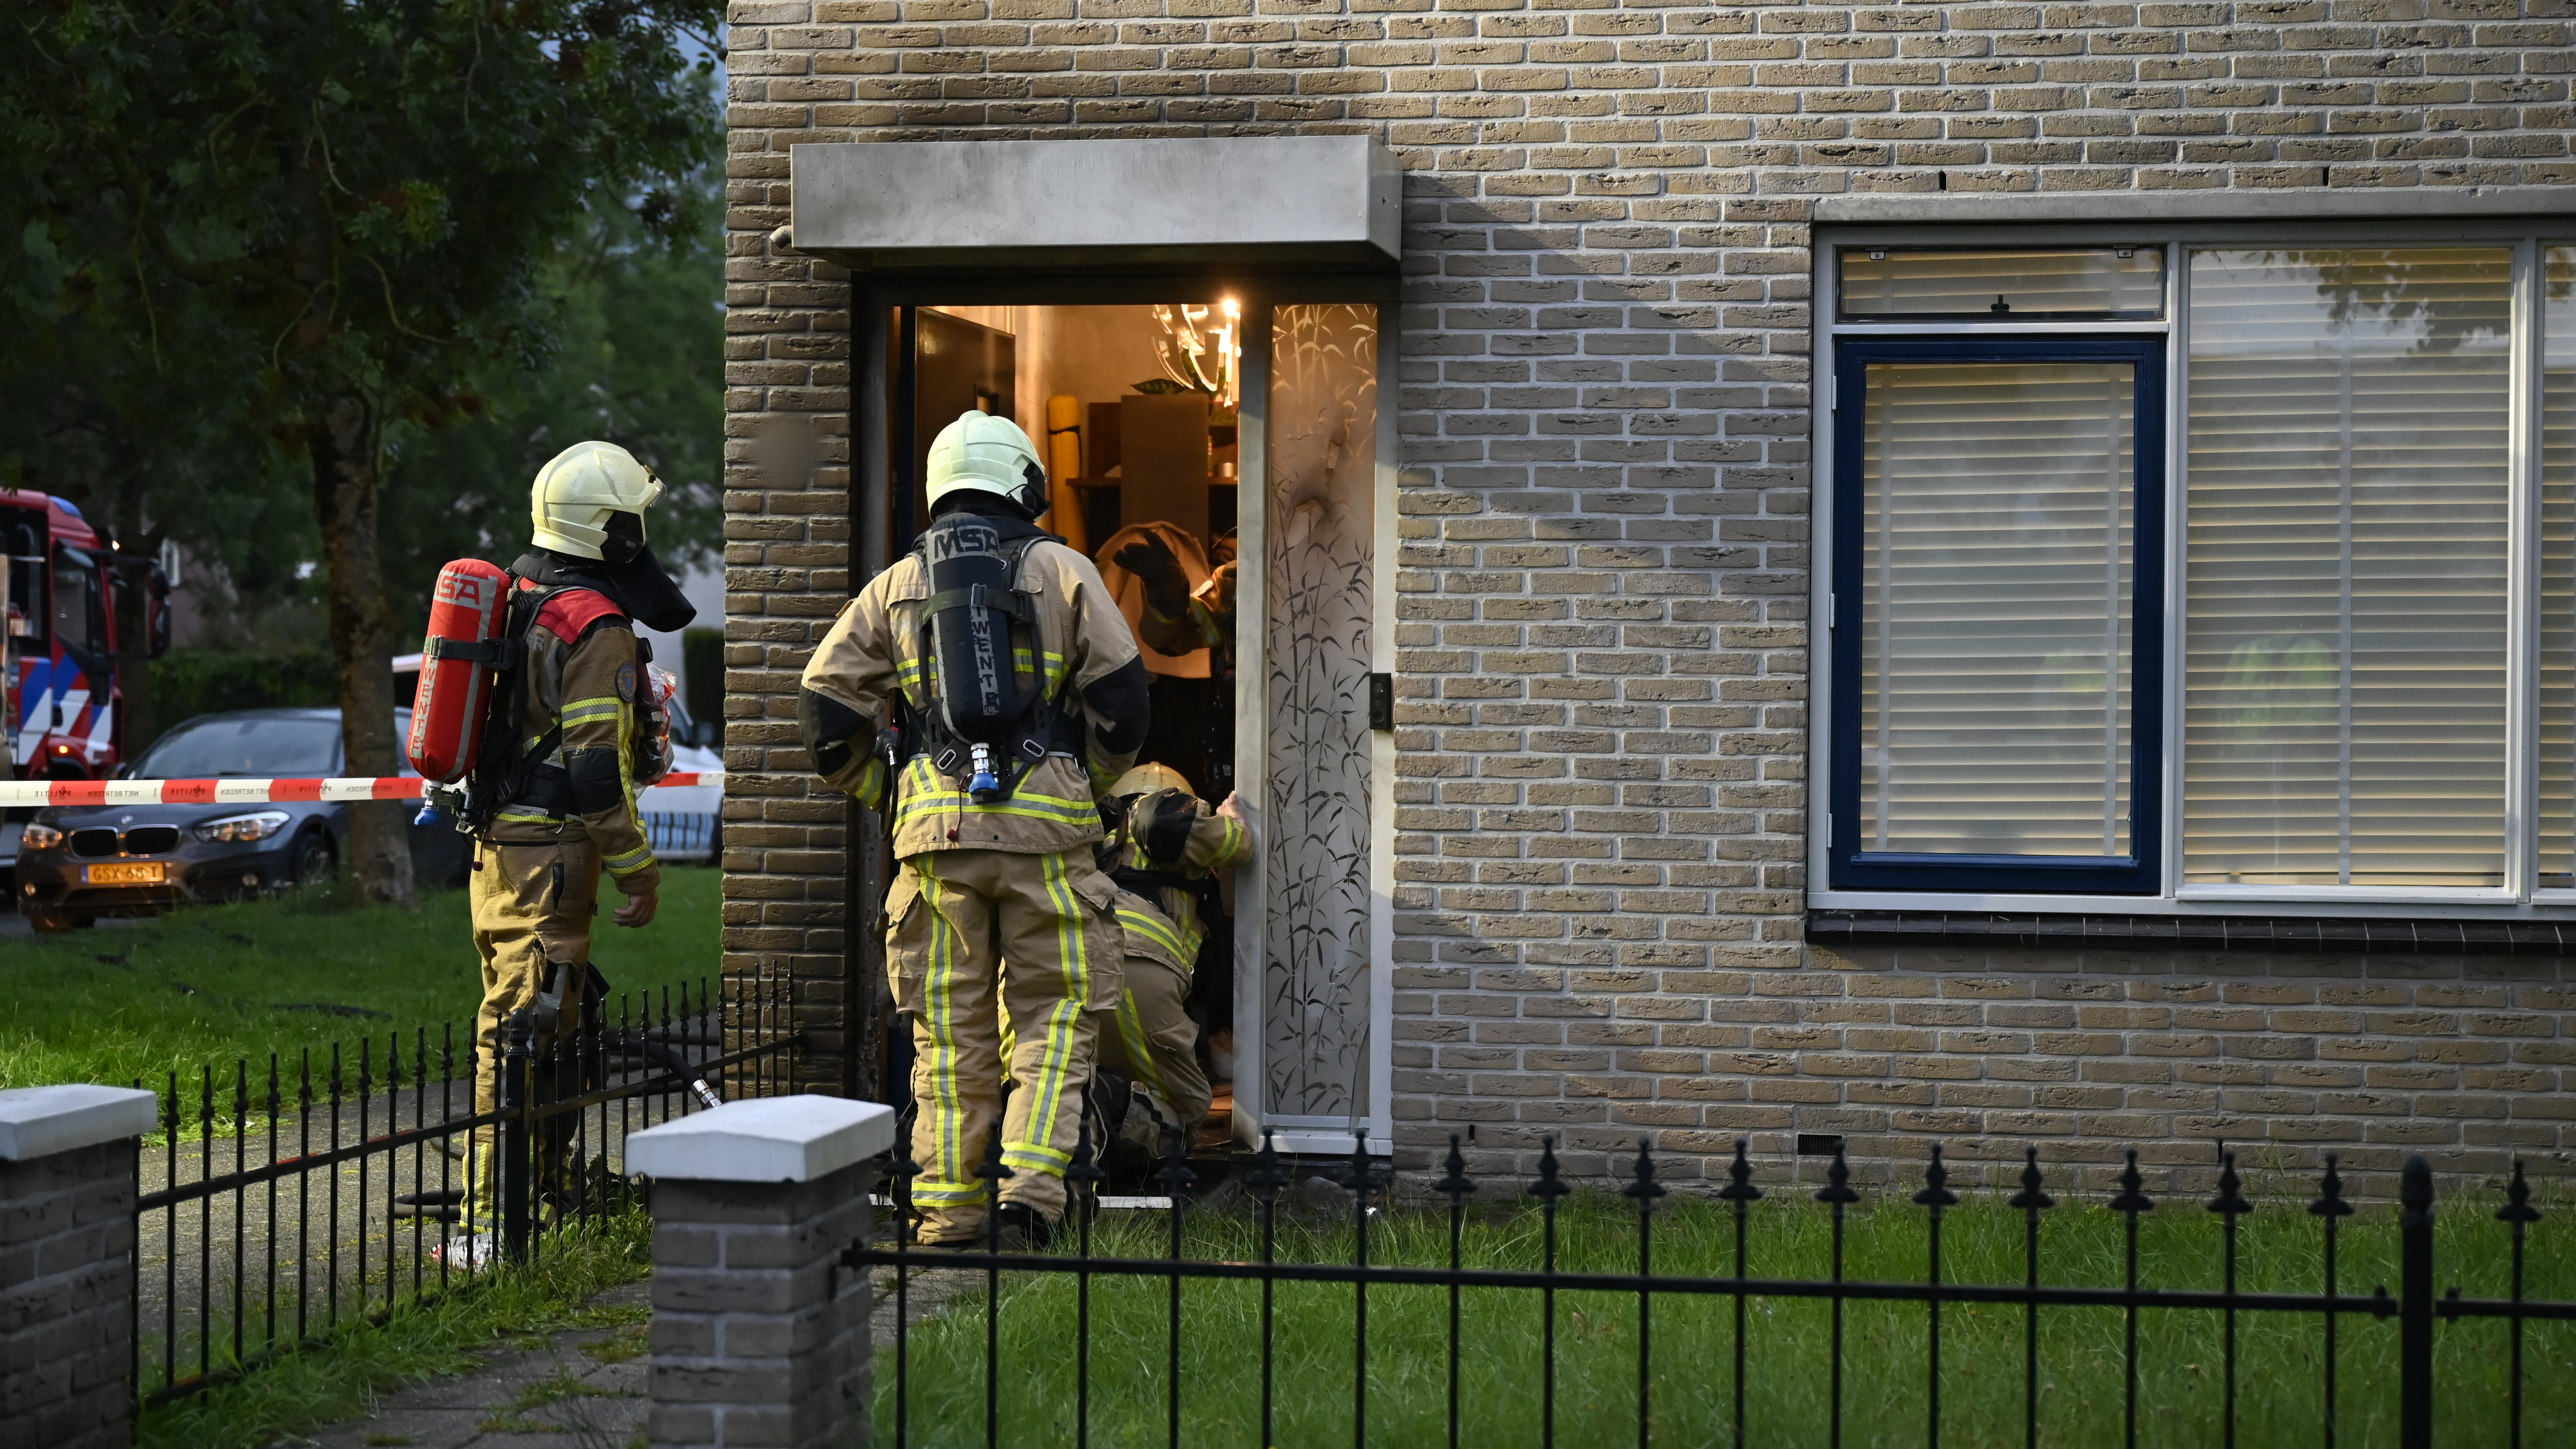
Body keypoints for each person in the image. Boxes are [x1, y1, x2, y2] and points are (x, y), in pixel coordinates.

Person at [800, 409, 1151, 1248]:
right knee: (1053, 1023)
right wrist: (1090, 783)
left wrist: (891, 792)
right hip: (1051, 844)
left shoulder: (895, 584)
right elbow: (1124, 702)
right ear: (1023, 482)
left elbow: (825, 714)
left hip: (937, 843)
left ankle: (948, 1213)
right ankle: (1029, 1200)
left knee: (949, 1036)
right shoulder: (1064, 569)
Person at [449, 439, 696, 1267]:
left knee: (555, 1026)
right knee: (522, 1032)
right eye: (634, 518)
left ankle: (542, 1199)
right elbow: (594, 765)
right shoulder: (593, 623)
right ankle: (491, 1228)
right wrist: (638, 866)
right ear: (610, 530)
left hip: (503, 847)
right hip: (551, 856)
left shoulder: (522, 596)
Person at [1093, 763, 1252, 1158]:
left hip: (1062, 970)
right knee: (1188, 1110)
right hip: (1135, 974)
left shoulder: (1094, 847)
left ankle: (1083, 1119)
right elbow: (1240, 861)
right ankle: (1104, 1106)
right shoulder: (1176, 838)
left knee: (1051, 1084)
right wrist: (1232, 823)